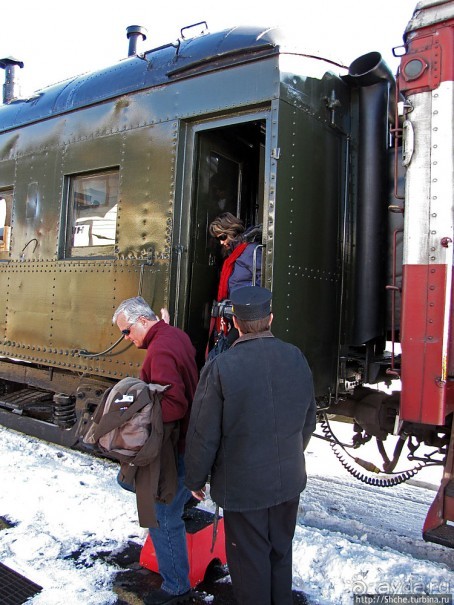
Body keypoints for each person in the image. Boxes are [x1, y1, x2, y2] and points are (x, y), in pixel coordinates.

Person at [185, 286, 317, 605]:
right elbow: (308, 419)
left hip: (244, 489)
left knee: (249, 561)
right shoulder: (296, 357)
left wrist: (195, 479)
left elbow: (204, 432)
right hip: (289, 479)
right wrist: (288, 454)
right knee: (280, 553)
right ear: (270, 318)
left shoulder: (221, 367)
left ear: (237, 325)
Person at [112, 296, 198, 605]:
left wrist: (138, 411)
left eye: (127, 331)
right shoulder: (174, 335)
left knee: (161, 516)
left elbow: (174, 405)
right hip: (185, 441)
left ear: (144, 321)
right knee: (147, 495)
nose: (126, 338)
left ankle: (177, 588)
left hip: (173, 447)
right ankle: (183, 500)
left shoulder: (159, 350)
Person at [207, 212, 262, 356]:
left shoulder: (250, 251)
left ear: (232, 232)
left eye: (223, 237)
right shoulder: (233, 256)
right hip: (234, 314)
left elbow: (262, 280)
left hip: (246, 315)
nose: (221, 242)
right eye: (218, 238)